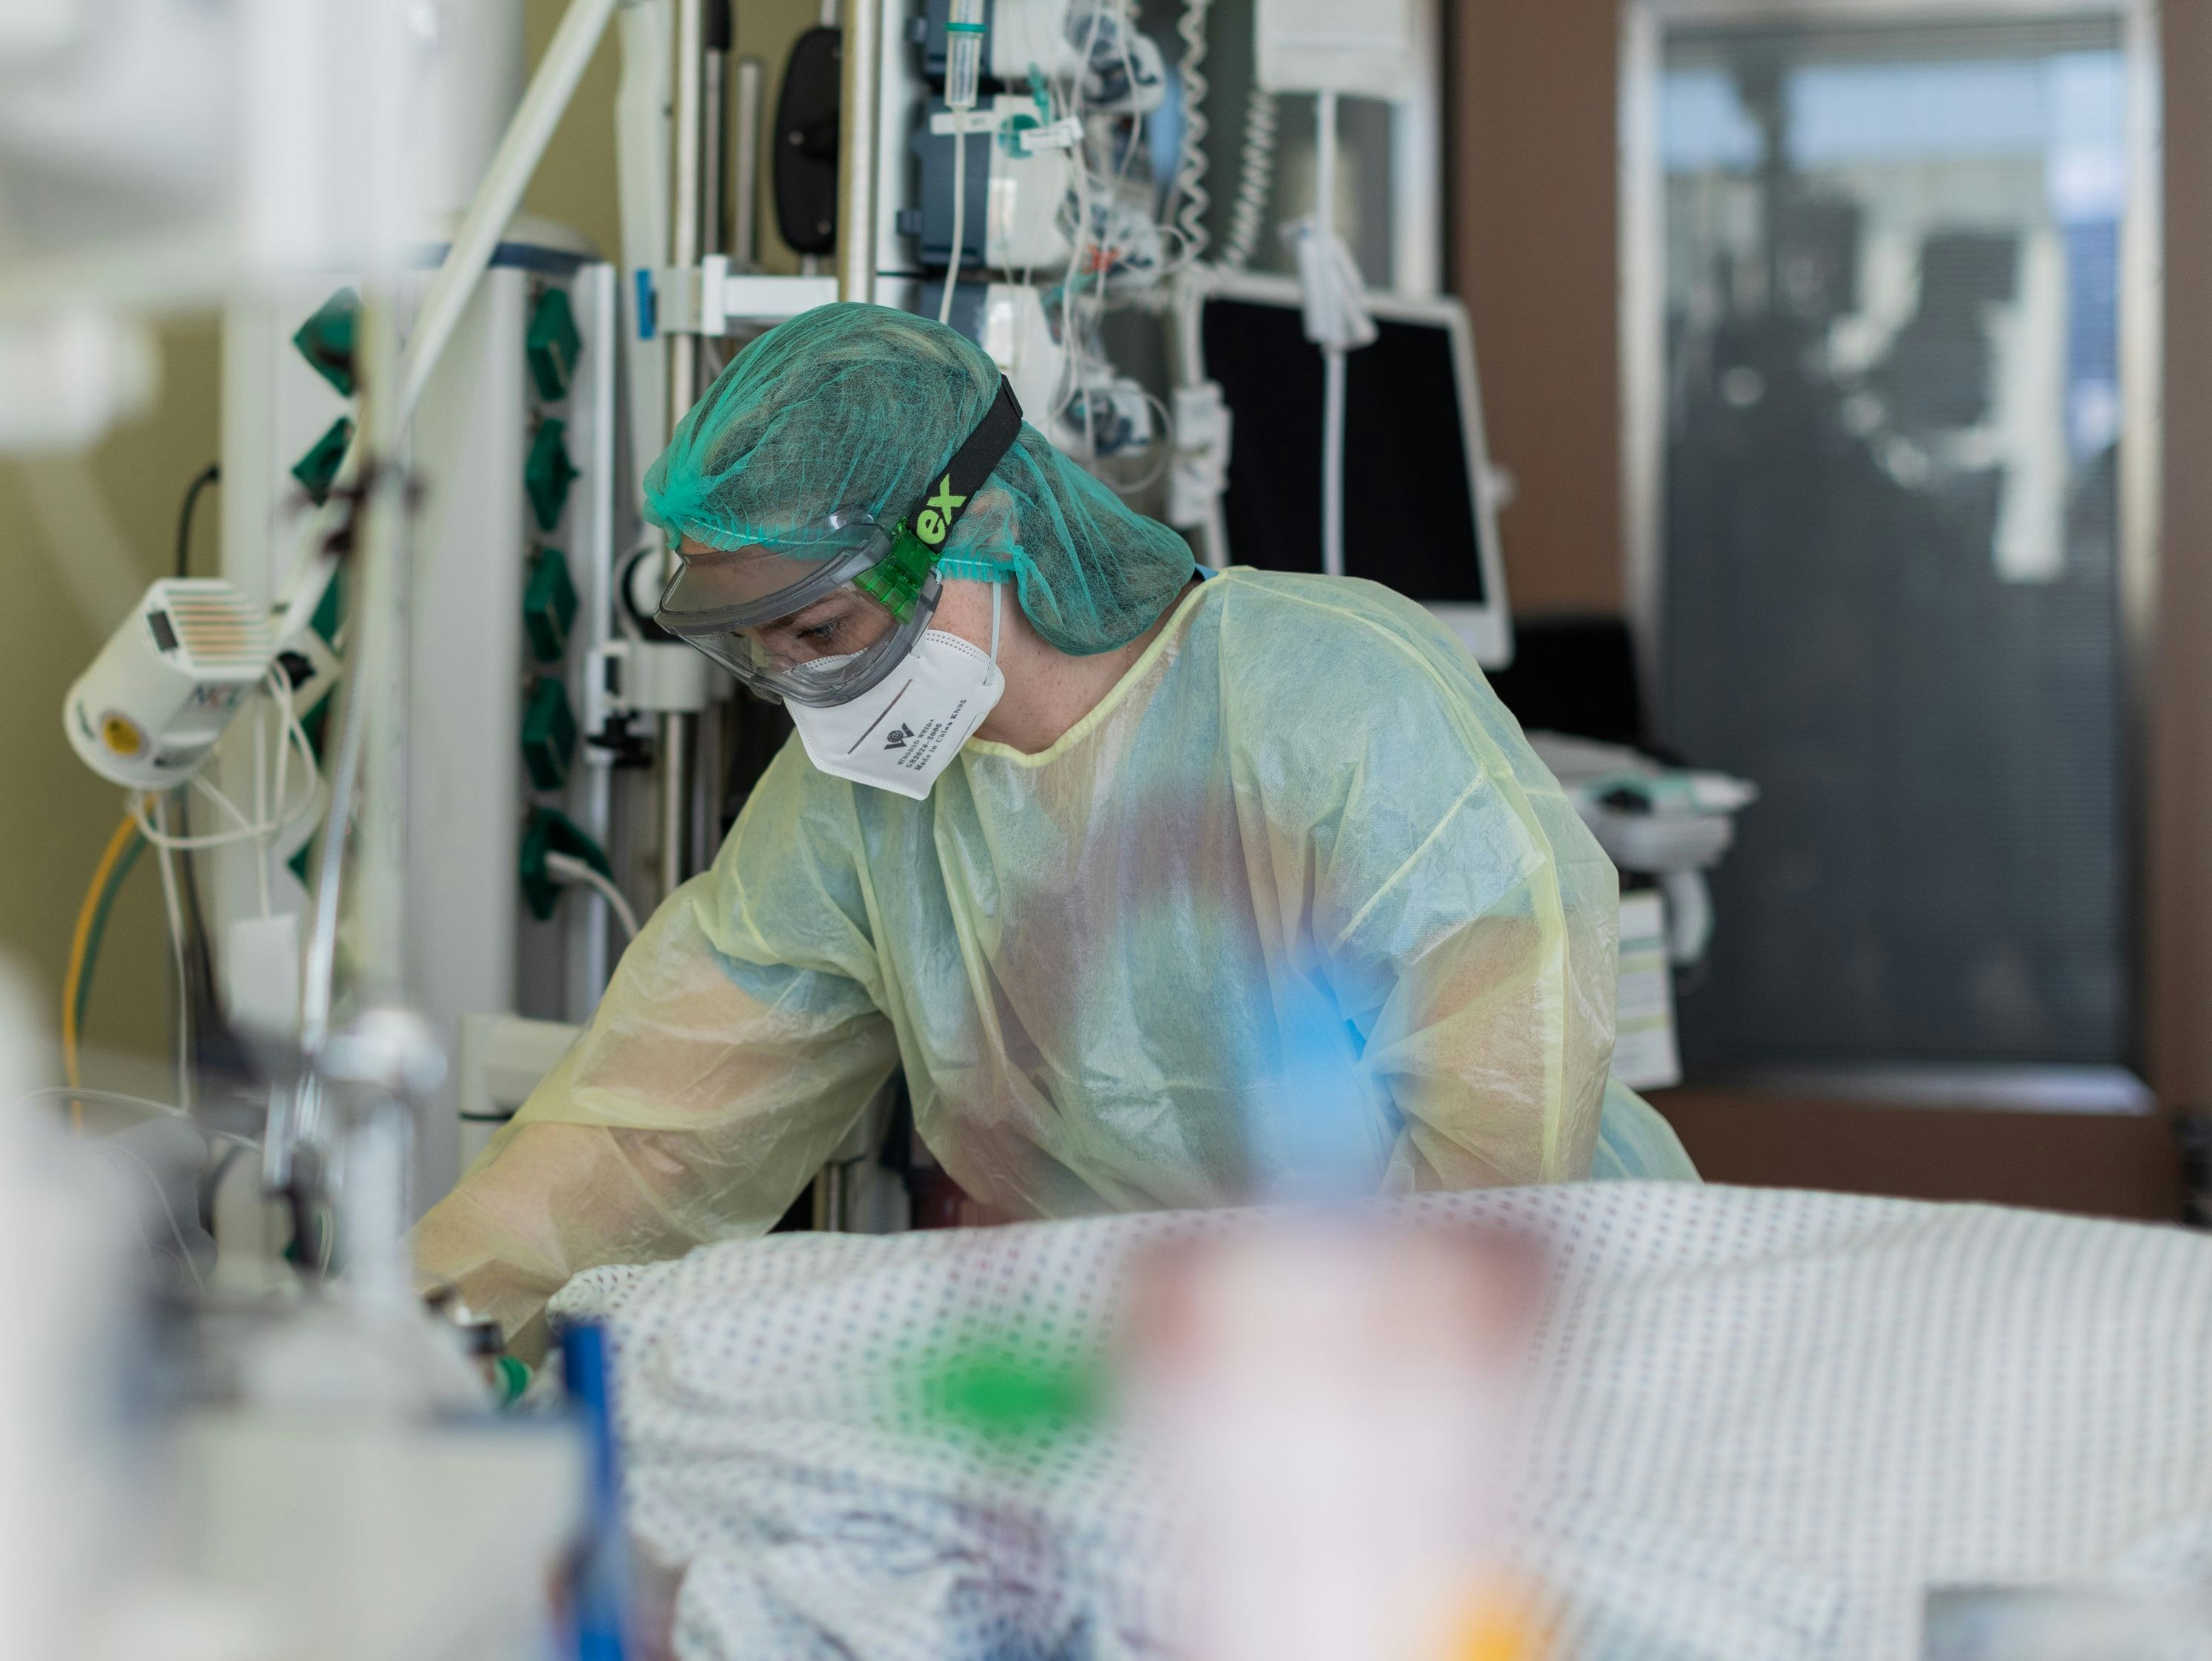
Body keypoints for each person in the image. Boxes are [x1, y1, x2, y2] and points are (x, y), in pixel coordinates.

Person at [413, 304, 1695, 1356]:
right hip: (1178, 1387)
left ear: (976, 526)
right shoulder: (853, 809)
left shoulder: (1328, 700)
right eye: (763, 652)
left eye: (823, 632)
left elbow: (1496, 1143)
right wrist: (422, 1335)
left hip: (1544, 1350)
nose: (804, 687)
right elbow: (650, 1132)